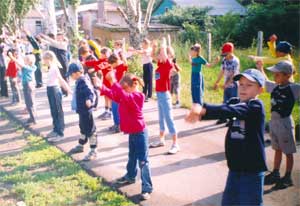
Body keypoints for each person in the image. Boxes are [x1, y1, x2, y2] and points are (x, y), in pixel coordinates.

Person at [186, 68, 268, 206]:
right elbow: (224, 110)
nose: (243, 88)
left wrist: (205, 109)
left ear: (260, 90)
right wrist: (201, 114)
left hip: (252, 171)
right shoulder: (235, 101)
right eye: (241, 84)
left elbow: (232, 111)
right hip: (235, 169)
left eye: (249, 85)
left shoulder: (256, 106)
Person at [99, 72, 153, 200]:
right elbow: (115, 96)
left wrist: (113, 81)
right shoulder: (126, 95)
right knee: (132, 156)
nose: (123, 91)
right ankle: (130, 176)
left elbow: (123, 95)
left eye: (124, 88)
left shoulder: (138, 96)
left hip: (140, 133)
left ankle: (147, 188)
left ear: (130, 87)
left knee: (143, 161)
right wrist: (101, 87)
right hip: (133, 133)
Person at [257, 60, 299, 190]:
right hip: (274, 122)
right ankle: (275, 172)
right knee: (277, 149)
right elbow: (265, 81)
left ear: (287, 75)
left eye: (277, 74)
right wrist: (260, 68)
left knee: (288, 151)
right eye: (274, 74)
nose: (274, 77)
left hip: (284, 123)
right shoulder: (275, 86)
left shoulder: (293, 88)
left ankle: (288, 176)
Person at [149, 38, 179, 154]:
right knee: (161, 119)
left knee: (169, 119)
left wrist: (163, 44)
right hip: (159, 95)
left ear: (168, 55)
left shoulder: (168, 64)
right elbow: (152, 55)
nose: (160, 55)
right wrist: (154, 45)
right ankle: (161, 140)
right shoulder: (160, 64)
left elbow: (163, 53)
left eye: (162, 54)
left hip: (165, 96)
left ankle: (175, 144)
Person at [67, 63, 98, 161]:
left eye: (71, 75)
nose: (71, 77)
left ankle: (93, 150)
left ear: (77, 73)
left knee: (90, 130)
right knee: (83, 127)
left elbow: (90, 92)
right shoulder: (79, 81)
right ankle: (81, 144)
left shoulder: (84, 81)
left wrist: (89, 99)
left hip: (86, 110)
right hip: (81, 110)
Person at [43, 51, 71, 141]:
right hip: (50, 89)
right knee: (53, 110)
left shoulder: (54, 68)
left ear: (49, 59)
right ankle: (55, 129)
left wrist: (68, 90)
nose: (43, 61)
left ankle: (60, 133)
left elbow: (61, 80)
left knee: (58, 111)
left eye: (44, 59)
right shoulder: (49, 67)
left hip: (55, 89)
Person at [213, 42, 240, 124]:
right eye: (223, 54)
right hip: (226, 84)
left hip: (234, 85)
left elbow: (234, 75)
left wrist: (227, 84)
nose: (224, 56)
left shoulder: (235, 61)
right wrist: (217, 82)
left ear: (231, 52)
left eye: (226, 54)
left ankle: (232, 120)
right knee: (225, 102)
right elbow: (222, 71)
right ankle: (223, 118)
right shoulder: (224, 60)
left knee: (233, 103)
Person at [8, 52, 37, 125]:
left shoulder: (28, 67)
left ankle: (33, 119)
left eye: (25, 60)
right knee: (30, 102)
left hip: (28, 85)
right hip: (29, 85)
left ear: (29, 61)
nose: (24, 61)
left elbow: (20, 64)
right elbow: (22, 71)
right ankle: (32, 117)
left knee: (29, 103)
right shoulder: (32, 67)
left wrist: (12, 57)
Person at [107, 53, 128, 133]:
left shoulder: (122, 67)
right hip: (116, 90)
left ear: (115, 62)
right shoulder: (116, 67)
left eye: (112, 64)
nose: (111, 66)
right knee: (114, 108)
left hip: (119, 90)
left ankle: (119, 125)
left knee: (117, 108)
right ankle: (116, 123)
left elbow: (125, 63)